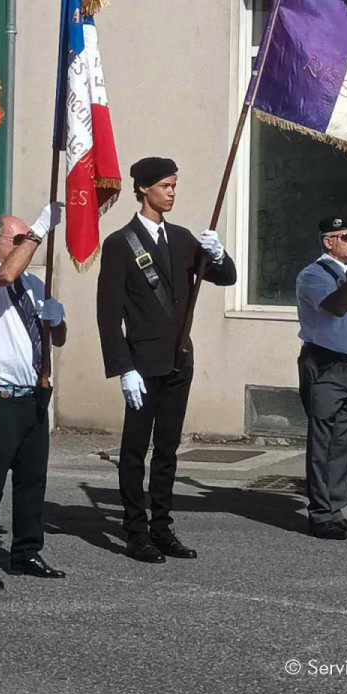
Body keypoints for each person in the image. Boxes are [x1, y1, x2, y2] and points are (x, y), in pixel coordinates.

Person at [97, 157, 236, 563]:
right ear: (143, 189)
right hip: (141, 364)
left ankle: (162, 527)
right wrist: (123, 367)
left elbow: (224, 277)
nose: (172, 192)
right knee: (134, 451)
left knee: (169, 449)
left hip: (179, 360)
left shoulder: (181, 238)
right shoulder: (121, 243)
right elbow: (108, 314)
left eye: (175, 185)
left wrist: (219, 253)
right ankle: (135, 531)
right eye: (165, 186)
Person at [0, 204, 68, 590]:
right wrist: (40, 229)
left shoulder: (35, 285)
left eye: (29, 237)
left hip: (34, 396)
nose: (28, 244)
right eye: (19, 238)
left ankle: (25, 551)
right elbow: (6, 274)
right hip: (0, 397)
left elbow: (58, 338)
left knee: (32, 481)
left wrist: (56, 321)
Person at [295, 216, 347, 541]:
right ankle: (319, 515)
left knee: (343, 443)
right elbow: (337, 306)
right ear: (328, 242)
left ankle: (335, 510)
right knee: (323, 442)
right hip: (325, 365)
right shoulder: (314, 274)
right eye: (345, 237)